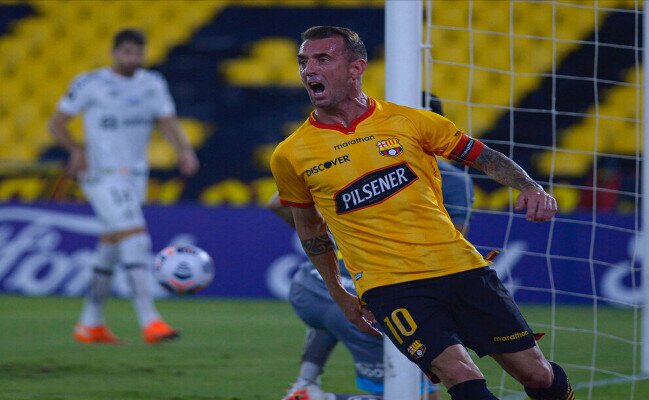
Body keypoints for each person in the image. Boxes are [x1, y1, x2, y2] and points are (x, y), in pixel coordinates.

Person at [270, 26, 573, 400]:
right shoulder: (291, 153)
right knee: (459, 372)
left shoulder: (411, 122)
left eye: (322, 59)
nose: (309, 70)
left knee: (538, 375)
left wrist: (529, 186)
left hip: (461, 268)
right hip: (389, 288)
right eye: (303, 62)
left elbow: (485, 157)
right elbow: (309, 228)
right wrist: (340, 294)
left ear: (355, 68)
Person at [272, 97, 474, 400]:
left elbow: (277, 203)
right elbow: (450, 239)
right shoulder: (452, 178)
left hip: (315, 287)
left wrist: (335, 235)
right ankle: (315, 398)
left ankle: (305, 383)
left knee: (343, 307)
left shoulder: (358, 153)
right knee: (414, 396)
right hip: (372, 298)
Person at [48, 28, 200, 345]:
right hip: (101, 174)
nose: (133, 58)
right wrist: (76, 150)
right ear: (114, 52)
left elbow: (167, 121)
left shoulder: (153, 84)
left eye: (138, 53)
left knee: (111, 246)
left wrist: (183, 149)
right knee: (135, 236)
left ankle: (90, 324)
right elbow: (56, 123)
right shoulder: (90, 83)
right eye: (127, 52)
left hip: (135, 176)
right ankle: (150, 321)